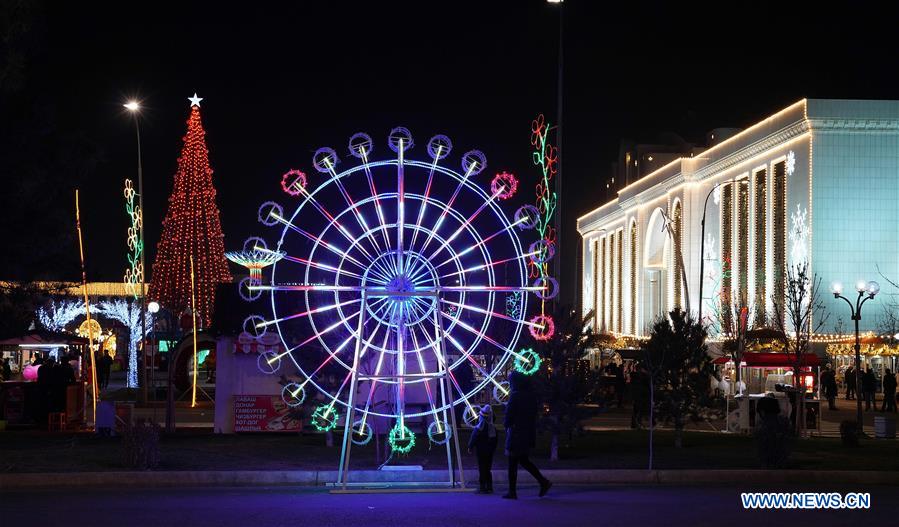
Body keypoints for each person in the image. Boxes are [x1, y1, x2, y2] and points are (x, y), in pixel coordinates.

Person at [503, 371, 551, 499]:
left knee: (513, 463)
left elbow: (509, 416)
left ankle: (512, 491)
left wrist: (507, 423)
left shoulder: (515, 396)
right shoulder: (530, 396)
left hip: (516, 433)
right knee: (523, 460)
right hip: (527, 432)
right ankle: (543, 482)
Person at [467, 404, 498, 493]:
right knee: (488, 468)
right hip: (489, 452)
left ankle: (482, 486)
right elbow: (495, 441)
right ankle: (489, 486)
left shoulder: (479, 428)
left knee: (482, 468)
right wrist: (493, 449)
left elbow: (474, 438)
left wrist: (470, 447)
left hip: (481, 451)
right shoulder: (493, 429)